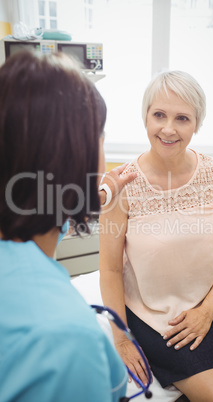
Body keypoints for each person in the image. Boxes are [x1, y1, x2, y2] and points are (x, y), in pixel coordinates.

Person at [99, 70, 213, 401]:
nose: (168, 128)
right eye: (159, 115)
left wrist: (207, 310)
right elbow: (110, 268)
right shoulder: (123, 185)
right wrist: (120, 336)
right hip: (154, 312)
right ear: (145, 117)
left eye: (182, 118)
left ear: (196, 124)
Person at [0, 50, 135, 402]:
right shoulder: (64, 337)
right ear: (77, 153)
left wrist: (98, 192)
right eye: (101, 138)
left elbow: (42, 210)